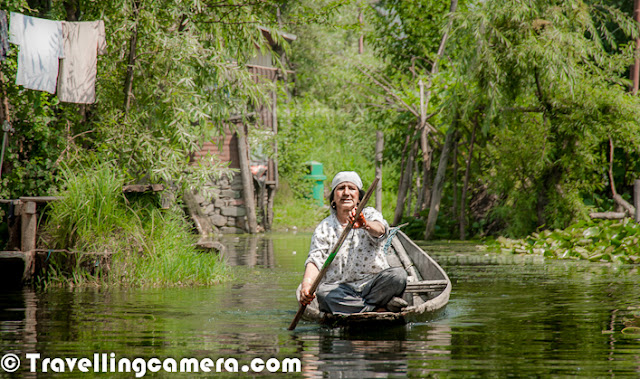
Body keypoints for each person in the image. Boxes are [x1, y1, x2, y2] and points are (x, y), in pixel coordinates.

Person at [299, 171, 408, 315]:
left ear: (359, 197)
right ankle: (377, 309)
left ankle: (355, 308)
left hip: (372, 285)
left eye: (351, 188)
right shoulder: (324, 228)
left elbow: (380, 230)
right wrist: (306, 284)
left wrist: (364, 224)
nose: (346, 192)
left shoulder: (370, 214)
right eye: (340, 188)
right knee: (323, 294)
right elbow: (315, 260)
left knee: (398, 276)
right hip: (340, 289)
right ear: (333, 199)